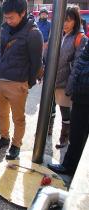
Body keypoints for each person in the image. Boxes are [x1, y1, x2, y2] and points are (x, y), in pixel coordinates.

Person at [0, 0, 43, 159]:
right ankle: (4, 137)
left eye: (11, 17)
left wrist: (28, 83)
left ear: (23, 13)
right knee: (2, 113)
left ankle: (16, 145)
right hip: (0, 78)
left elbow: (36, 63)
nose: (8, 21)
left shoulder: (34, 34)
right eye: (5, 17)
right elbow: (2, 51)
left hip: (18, 83)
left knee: (18, 118)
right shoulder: (5, 27)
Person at [48, 39, 89, 176]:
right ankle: (70, 166)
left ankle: (75, 169)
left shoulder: (80, 38)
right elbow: (80, 63)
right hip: (82, 92)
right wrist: (72, 86)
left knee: (78, 132)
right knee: (77, 133)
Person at [54, 6, 87, 149]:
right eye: (63, 20)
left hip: (66, 82)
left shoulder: (80, 38)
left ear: (76, 21)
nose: (65, 24)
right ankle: (47, 131)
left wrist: (70, 86)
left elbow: (79, 65)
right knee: (52, 109)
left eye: (69, 20)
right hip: (54, 80)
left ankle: (65, 136)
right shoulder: (59, 34)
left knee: (65, 111)